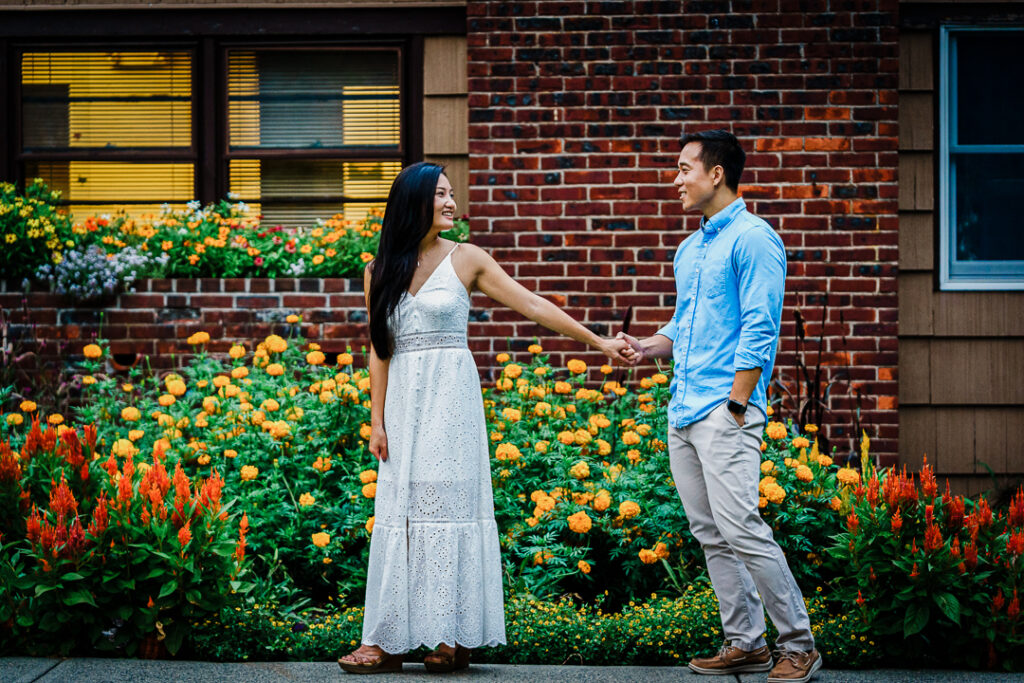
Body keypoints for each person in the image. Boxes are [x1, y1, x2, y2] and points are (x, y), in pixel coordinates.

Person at [338, 162, 630, 674]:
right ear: (414, 202)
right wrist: (377, 419)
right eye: (441, 195)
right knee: (401, 515)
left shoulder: (467, 258)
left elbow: (533, 305)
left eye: (453, 194)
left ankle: (450, 636)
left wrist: (599, 341)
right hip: (405, 405)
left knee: (448, 511)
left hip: (451, 405)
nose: (452, 203)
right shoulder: (377, 269)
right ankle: (386, 640)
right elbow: (378, 349)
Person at [618, 130, 822, 683]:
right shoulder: (692, 248)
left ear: (717, 174)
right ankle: (745, 642)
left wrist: (736, 402)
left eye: (685, 168)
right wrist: (646, 347)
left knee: (743, 528)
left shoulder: (754, 240)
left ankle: (798, 645)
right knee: (711, 532)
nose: (676, 179)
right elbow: (684, 326)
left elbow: (760, 326)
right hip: (683, 409)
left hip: (724, 409)